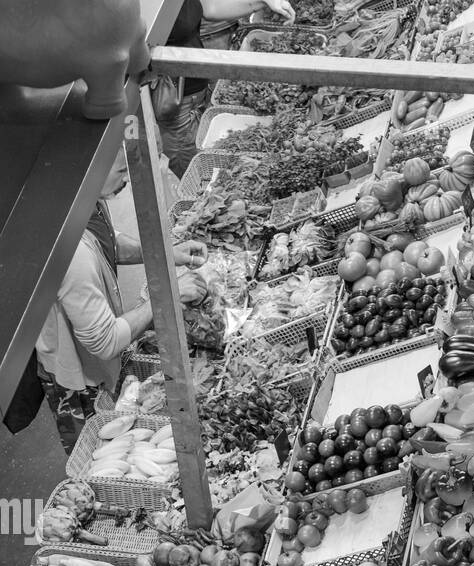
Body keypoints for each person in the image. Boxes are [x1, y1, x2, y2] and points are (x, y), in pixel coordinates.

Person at [36, 151, 207, 453]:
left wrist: (165, 253)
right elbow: (104, 341)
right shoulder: (72, 254)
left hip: (103, 357)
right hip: (81, 379)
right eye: (120, 171)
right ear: (91, 171)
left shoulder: (88, 203)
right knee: (100, 452)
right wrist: (168, 294)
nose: (127, 178)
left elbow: (108, 240)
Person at [159, 0, 296, 177]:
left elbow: (209, 7)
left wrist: (262, 2)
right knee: (200, 173)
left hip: (198, 91)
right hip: (174, 104)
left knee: (216, 157)